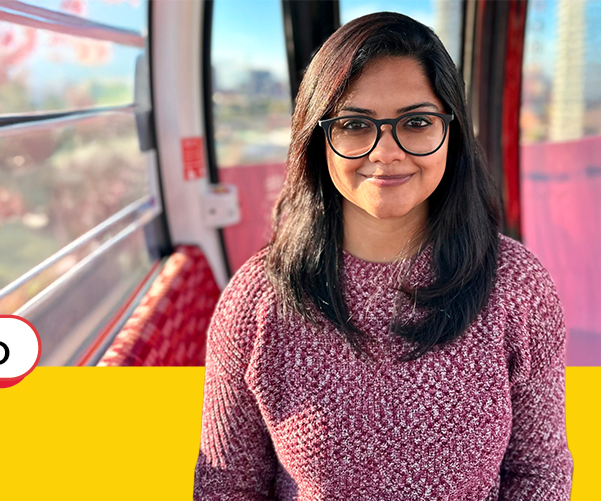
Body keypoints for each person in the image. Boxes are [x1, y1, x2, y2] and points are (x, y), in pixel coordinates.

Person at [194, 12, 571, 500]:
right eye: (354, 124)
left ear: (451, 132)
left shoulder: (516, 284)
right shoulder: (257, 301)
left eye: (416, 122)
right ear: (317, 139)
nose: (385, 152)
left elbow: (538, 472)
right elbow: (227, 486)